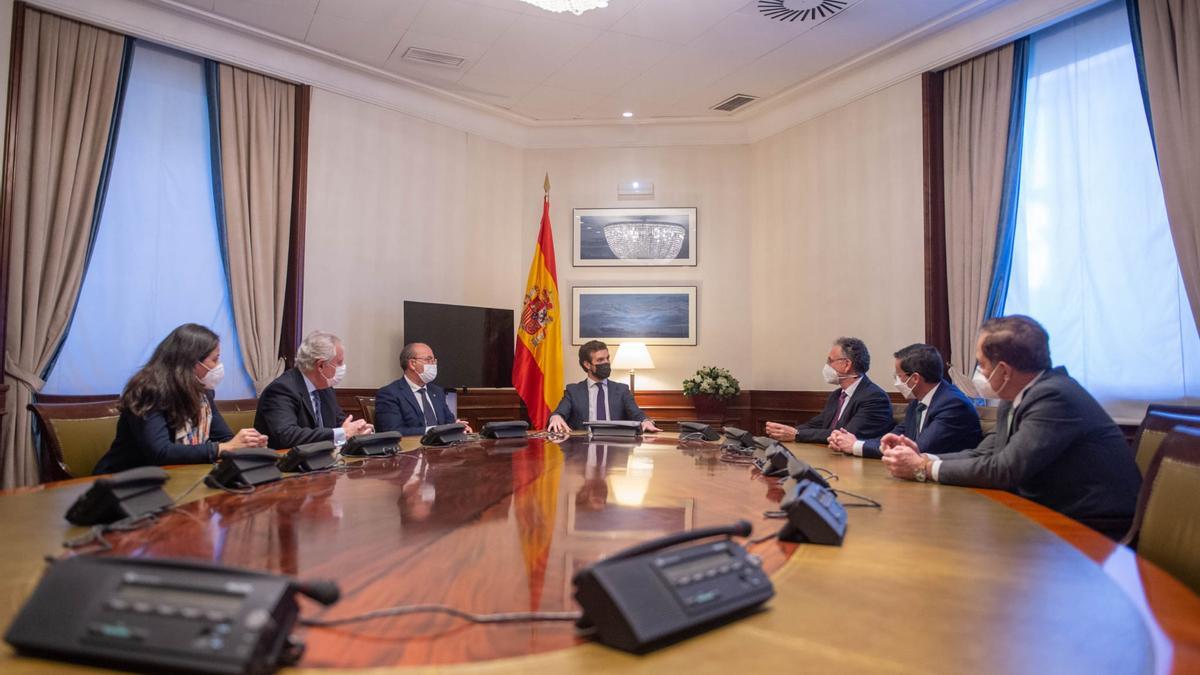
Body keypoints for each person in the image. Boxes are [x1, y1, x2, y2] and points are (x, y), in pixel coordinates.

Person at [880, 315, 1141, 539]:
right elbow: (984, 454)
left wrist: (923, 469)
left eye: (981, 364)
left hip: (1092, 528)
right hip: (1047, 513)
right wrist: (924, 457)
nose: (978, 373)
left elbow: (1005, 469)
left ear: (1003, 370)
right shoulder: (1014, 395)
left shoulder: (1054, 397)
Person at [93, 324, 267, 474]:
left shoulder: (203, 393)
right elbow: (160, 452)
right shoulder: (147, 390)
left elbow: (224, 438)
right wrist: (222, 449)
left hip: (179, 478)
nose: (219, 366)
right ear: (191, 362)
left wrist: (245, 444)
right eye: (215, 359)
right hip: (123, 483)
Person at [829, 343, 981, 458]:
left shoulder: (953, 404)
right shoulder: (917, 402)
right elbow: (894, 437)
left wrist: (855, 446)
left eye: (899, 375)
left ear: (915, 378)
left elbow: (918, 448)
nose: (896, 380)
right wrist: (854, 442)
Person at [254, 330, 372, 449]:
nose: (342, 367)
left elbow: (341, 423)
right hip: (285, 463)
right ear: (320, 365)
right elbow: (287, 435)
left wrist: (358, 429)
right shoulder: (282, 390)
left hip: (322, 461)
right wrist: (342, 433)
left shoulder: (325, 388)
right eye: (339, 363)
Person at [765, 337, 893, 444]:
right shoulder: (837, 395)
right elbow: (816, 424)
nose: (827, 365)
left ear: (847, 365)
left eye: (830, 361)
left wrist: (797, 434)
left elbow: (846, 435)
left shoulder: (874, 397)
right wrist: (784, 431)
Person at [547, 340, 660, 433]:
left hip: (616, 447)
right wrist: (556, 416)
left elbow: (636, 413)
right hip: (582, 447)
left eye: (607, 358)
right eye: (600, 360)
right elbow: (560, 412)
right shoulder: (574, 390)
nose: (606, 363)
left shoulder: (622, 390)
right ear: (587, 364)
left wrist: (645, 421)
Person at [375, 342, 474, 436]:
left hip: (442, 448)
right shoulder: (390, 393)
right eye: (429, 360)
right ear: (412, 364)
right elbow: (393, 431)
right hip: (411, 451)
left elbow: (449, 422)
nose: (433, 364)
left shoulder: (437, 391)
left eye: (434, 360)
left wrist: (457, 427)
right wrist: (432, 431)